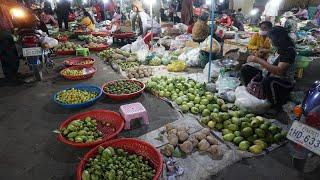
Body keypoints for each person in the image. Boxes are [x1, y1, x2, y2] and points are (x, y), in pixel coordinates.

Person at [241, 26, 296, 106]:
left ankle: (275, 104)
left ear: (277, 39)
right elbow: (272, 56)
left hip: (282, 82)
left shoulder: (289, 51)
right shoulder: (279, 47)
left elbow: (279, 71)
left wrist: (258, 60)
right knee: (246, 68)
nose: (269, 40)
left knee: (268, 81)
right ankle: (254, 91)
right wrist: (265, 51)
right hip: (269, 73)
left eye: (270, 38)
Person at [0, 0, 19, 81]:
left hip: (7, 32)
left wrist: (12, 29)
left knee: (13, 53)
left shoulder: (4, 6)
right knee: (6, 55)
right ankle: (10, 75)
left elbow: (8, 19)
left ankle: (13, 72)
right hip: (2, 33)